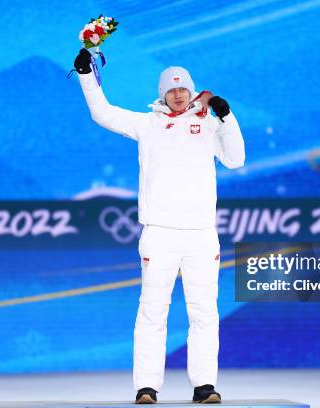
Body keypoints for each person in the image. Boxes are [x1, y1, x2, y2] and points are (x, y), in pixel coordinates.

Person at [74, 48, 245, 404]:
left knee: (204, 312)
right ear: (162, 94)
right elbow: (103, 114)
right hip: (160, 234)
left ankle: (204, 387)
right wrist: (86, 76)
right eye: (171, 89)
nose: (178, 94)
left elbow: (236, 159)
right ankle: (147, 388)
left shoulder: (209, 123)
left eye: (184, 89)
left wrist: (226, 116)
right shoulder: (147, 125)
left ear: (192, 91)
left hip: (200, 234)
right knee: (153, 311)